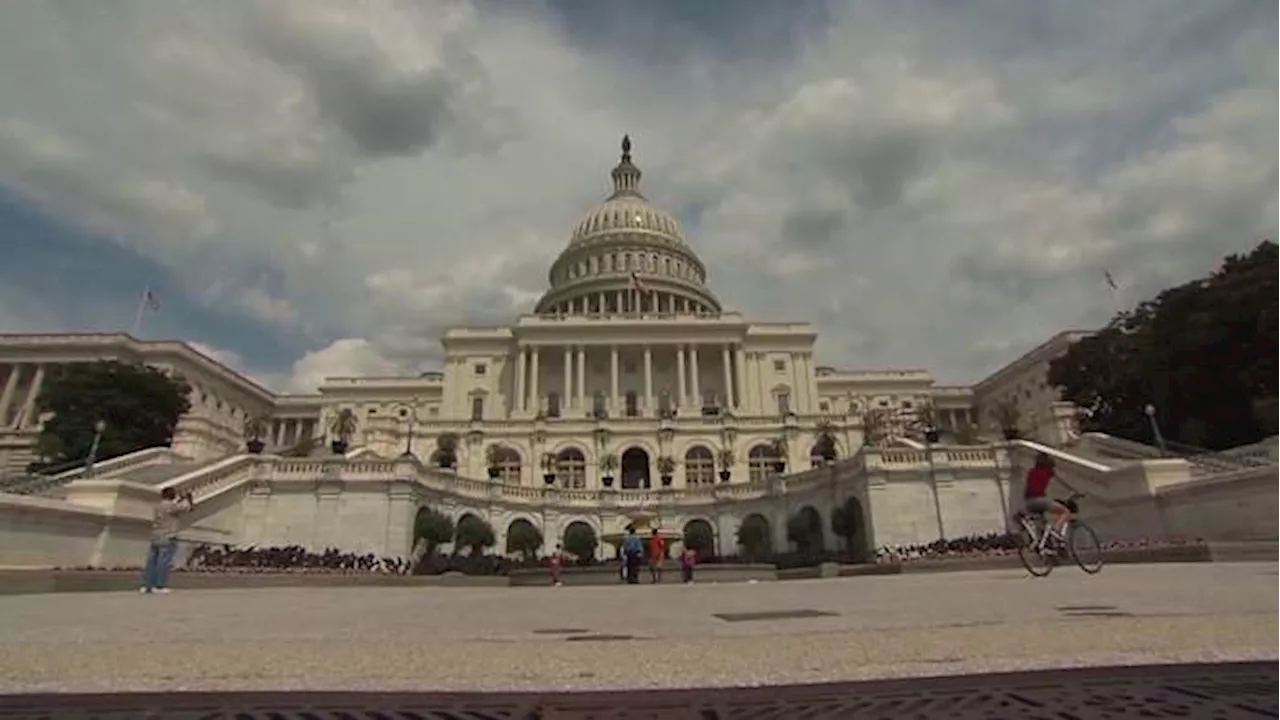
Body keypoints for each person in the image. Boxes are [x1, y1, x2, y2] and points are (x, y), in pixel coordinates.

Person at [141, 486, 194, 594]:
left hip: (155, 535)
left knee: (151, 562)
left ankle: (148, 585)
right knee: (163, 562)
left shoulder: (158, 506)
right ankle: (159, 585)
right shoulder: (172, 506)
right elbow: (189, 507)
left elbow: (176, 506)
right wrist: (188, 496)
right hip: (168, 536)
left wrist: (180, 499)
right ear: (172, 495)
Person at [1023, 452, 1073, 551]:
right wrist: (1074, 491)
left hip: (1029, 503)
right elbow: (1062, 482)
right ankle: (1056, 532)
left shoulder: (1031, 471)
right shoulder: (1048, 471)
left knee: (1044, 525)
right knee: (1065, 512)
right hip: (1040, 500)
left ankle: (1046, 545)